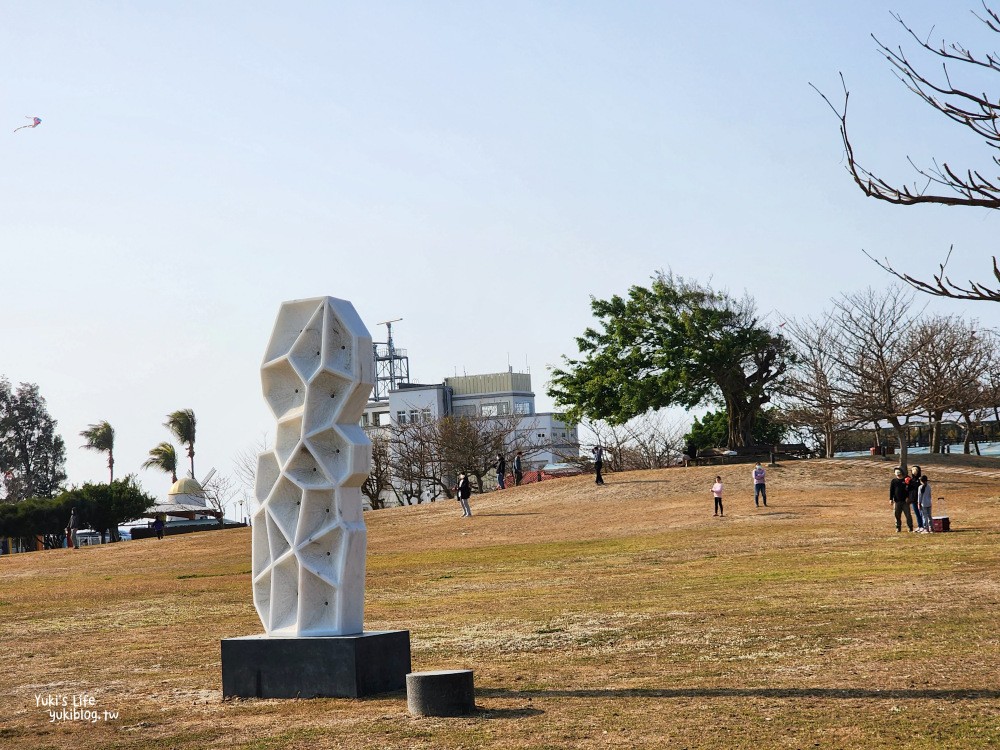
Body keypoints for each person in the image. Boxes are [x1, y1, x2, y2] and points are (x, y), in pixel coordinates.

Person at [890, 467, 913, 532]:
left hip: (905, 501)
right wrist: (891, 499)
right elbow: (891, 490)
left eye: (898, 472)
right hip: (897, 501)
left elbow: (909, 490)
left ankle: (910, 527)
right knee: (897, 515)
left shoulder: (906, 480)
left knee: (908, 515)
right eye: (896, 473)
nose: (898, 474)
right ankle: (898, 527)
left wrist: (908, 497)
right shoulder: (894, 481)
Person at [907, 465, 924, 530]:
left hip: (920, 499)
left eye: (915, 470)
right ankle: (920, 526)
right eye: (912, 470)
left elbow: (920, 487)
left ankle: (924, 525)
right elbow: (908, 489)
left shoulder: (920, 479)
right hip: (913, 499)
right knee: (917, 514)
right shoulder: (910, 480)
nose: (914, 471)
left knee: (921, 513)